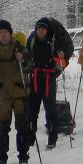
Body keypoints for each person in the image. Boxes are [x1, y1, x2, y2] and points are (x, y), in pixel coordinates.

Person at [0, 19, 32, 164]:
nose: (3, 35)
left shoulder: (20, 49)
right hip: (2, 96)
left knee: (22, 127)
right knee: (3, 128)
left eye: (5, 32)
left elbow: (29, 68)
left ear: (10, 33)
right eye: (0, 32)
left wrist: (22, 60)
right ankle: (2, 158)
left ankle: (23, 157)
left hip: (19, 94)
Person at [26, 17, 67, 150]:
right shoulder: (31, 41)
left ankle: (52, 139)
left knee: (50, 110)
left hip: (49, 79)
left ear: (47, 29)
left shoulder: (53, 42)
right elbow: (27, 59)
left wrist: (61, 58)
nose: (41, 31)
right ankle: (30, 138)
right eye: (38, 28)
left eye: (43, 28)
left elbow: (61, 64)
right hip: (35, 78)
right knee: (32, 111)